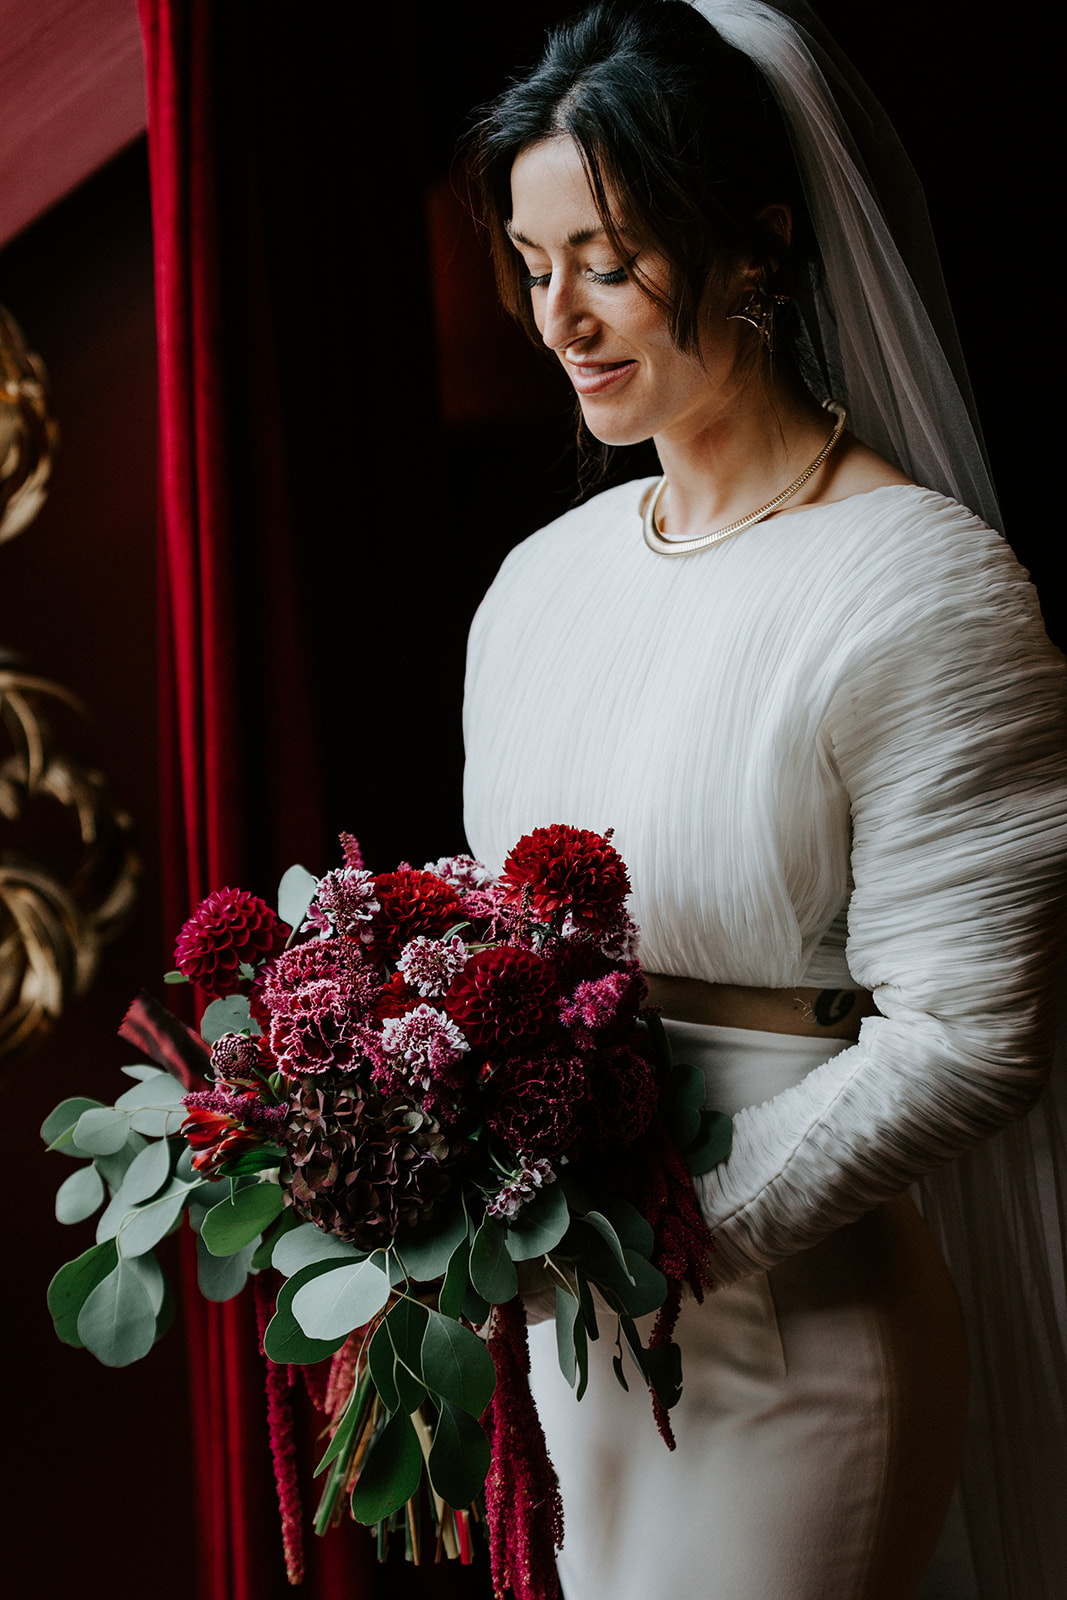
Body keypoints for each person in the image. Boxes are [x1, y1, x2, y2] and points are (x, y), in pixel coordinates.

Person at [461, 3, 1067, 1597]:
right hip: (574, 1335)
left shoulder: (921, 585)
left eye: (608, 257)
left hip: (796, 1339)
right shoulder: (536, 587)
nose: (563, 320)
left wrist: (674, 1237)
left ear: (756, 247)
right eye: (534, 266)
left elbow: (977, 1032)